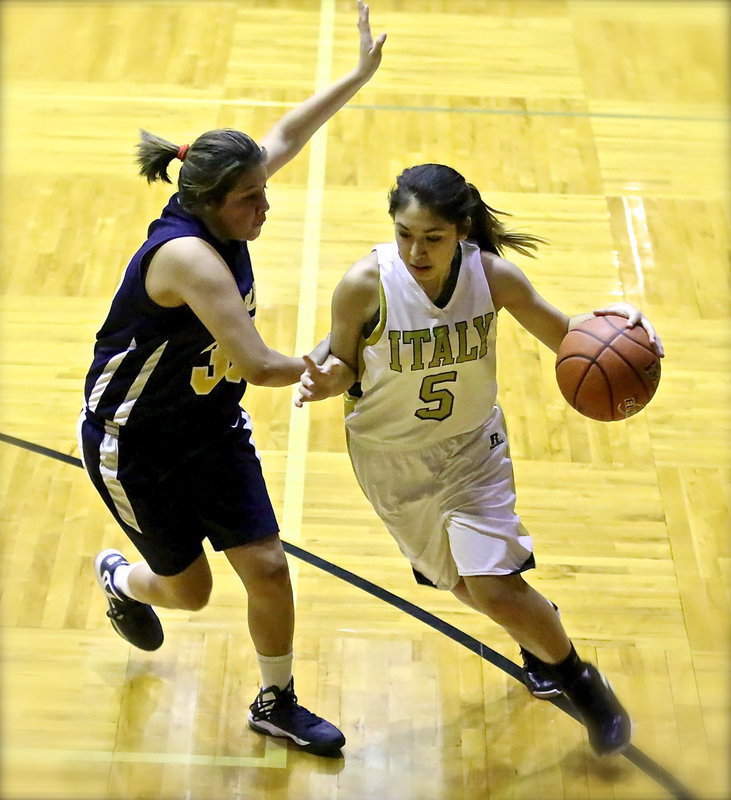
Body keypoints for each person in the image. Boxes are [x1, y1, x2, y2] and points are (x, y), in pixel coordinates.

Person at [78, 1, 385, 758]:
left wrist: (356, 75)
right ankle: (122, 580)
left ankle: (275, 702)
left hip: (209, 428)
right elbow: (258, 364)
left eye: (262, 190)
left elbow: (285, 136)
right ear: (209, 204)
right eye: (251, 199)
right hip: (135, 444)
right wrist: (348, 363)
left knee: (269, 569)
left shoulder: (225, 201)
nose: (265, 205)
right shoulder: (188, 258)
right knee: (189, 593)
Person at [296, 163, 665, 757]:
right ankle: (535, 624)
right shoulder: (363, 284)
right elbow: (343, 364)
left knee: (493, 589)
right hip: (390, 458)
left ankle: (583, 685)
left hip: (473, 447)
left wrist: (623, 323)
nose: (416, 250)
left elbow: (569, 337)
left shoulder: (493, 278)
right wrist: (324, 380)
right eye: (404, 234)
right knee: (469, 586)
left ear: (462, 230)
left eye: (432, 237)